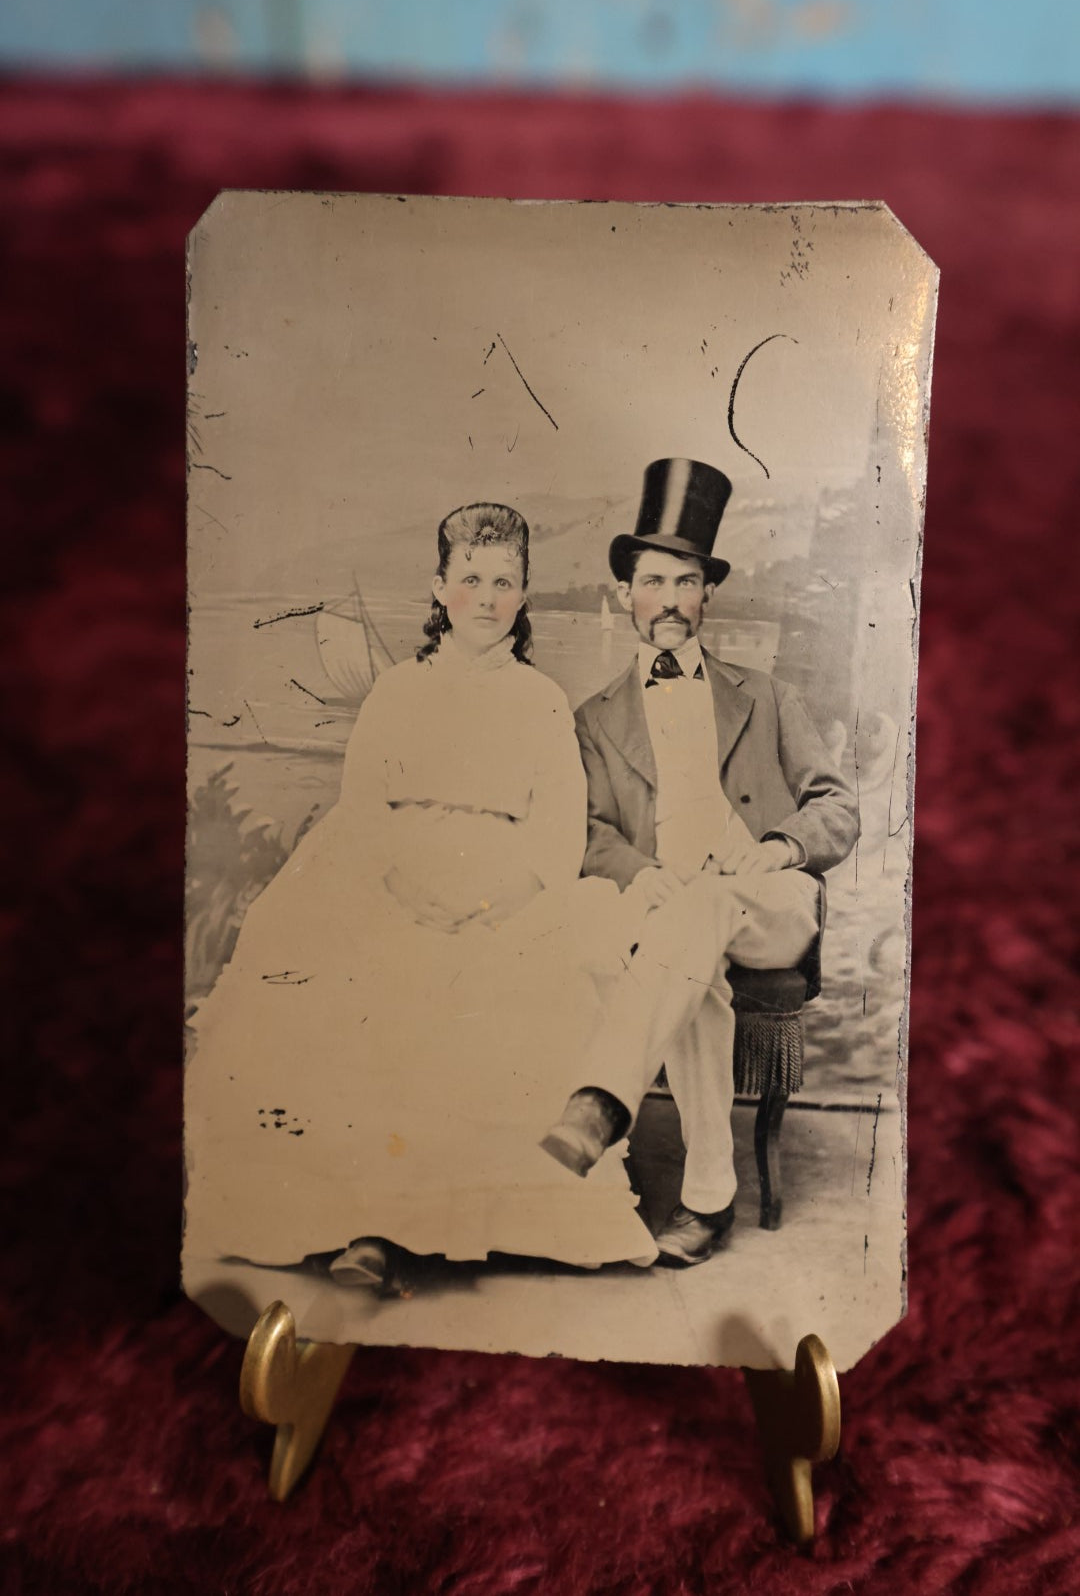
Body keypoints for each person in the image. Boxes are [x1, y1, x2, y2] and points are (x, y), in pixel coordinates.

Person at [183, 503, 657, 1295]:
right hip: (390, 877)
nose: (485, 596)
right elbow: (363, 808)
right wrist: (402, 885)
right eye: (470, 577)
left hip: (508, 891)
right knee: (364, 980)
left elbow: (558, 829)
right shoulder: (399, 690)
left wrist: (498, 896)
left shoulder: (541, 700)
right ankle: (360, 1220)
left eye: (504, 581)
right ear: (439, 587)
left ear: (524, 593)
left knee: (498, 988)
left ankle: (434, 1223)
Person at [540, 458, 860, 1267]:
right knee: (692, 941)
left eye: (687, 582)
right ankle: (709, 1200)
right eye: (655, 581)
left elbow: (839, 806)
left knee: (706, 915)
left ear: (707, 594)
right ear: (627, 594)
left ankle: (600, 1101)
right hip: (676, 909)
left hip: (770, 906)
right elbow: (589, 830)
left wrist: (780, 844)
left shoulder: (768, 694)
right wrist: (645, 876)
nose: (672, 601)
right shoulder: (595, 719)